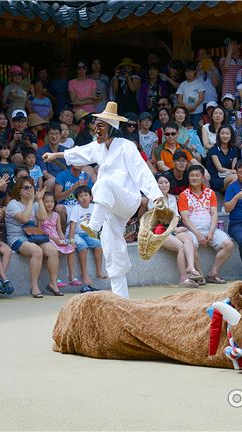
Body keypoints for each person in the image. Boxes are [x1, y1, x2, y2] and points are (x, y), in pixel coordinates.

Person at [42, 102, 165, 298]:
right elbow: (78, 152)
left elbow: (142, 171)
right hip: (109, 205)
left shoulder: (126, 146)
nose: (96, 130)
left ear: (112, 129)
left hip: (127, 198)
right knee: (111, 245)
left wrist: (156, 195)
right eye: (95, 126)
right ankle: (121, 297)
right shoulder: (98, 147)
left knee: (103, 181)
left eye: (100, 126)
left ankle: (94, 225)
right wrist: (55, 154)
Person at [4, 178, 62, 298]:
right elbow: (24, 219)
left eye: (31, 187)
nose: (29, 190)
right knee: (37, 251)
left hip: (34, 236)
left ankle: (52, 283)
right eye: (26, 187)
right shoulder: (13, 204)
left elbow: (43, 217)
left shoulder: (35, 203)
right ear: (18, 190)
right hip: (17, 237)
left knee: (52, 250)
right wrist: (31, 201)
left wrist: (39, 200)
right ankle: (34, 286)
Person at [178, 165, 233, 284]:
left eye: (197, 175)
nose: (194, 178)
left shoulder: (210, 193)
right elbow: (185, 218)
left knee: (228, 244)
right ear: (188, 177)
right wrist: (197, 234)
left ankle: (213, 273)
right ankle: (200, 275)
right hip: (192, 231)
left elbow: (214, 214)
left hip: (210, 229)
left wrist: (211, 232)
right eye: (192, 175)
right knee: (191, 246)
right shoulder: (184, 195)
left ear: (203, 177)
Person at [148, 173, 201, 288]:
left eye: (166, 182)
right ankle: (183, 279)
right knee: (180, 247)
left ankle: (191, 267)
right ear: (156, 185)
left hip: (172, 229)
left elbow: (176, 217)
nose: (164, 185)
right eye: (160, 183)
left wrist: (176, 228)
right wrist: (176, 229)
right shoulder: (152, 200)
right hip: (159, 231)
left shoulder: (172, 198)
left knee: (188, 238)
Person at [66, 186, 106, 293]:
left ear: (91, 197)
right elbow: (72, 225)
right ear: (77, 199)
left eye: (86, 195)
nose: (83, 198)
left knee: (98, 244)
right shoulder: (76, 208)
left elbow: (99, 223)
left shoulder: (94, 207)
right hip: (77, 233)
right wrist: (71, 240)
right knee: (82, 246)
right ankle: (84, 274)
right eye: (80, 196)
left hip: (88, 232)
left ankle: (99, 271)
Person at [37, 192, 79, 290]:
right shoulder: (40, 215)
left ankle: (71, 276)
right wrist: (54, 239)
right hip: (47, 238)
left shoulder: (56, 215)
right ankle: (56, 278)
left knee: (71, 248)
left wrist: (64, 241)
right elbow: (39, 231)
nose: (49, 204)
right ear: (42, 203)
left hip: (57, 237)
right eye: (46, 202)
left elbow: (59, 231)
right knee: (55, 251)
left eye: (51, 202)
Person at [37, 122, 68, 192]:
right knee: (52, 182)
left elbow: (70, 170)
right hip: (51, 181)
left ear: (60, 135)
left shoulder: (66, 151)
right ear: (47, 135)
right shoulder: (40, 152)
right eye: (51, 133)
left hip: (65, 179)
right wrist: (59, 181)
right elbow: (44, 173)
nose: (54, 136)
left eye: (56, 133)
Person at [206, 125, 238, 193]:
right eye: (222, 133)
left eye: (227, 133)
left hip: (229, 176)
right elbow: (220, 168)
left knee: (234, 181)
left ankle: (229, 201)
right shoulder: (213, 149)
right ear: (219, 135)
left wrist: (234, 171)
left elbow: (234, 168)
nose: (225, 136)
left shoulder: (234, 150)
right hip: (216, 178)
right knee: (235, 177)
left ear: (231, 135)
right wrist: (234, 172)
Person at [176, 62, 205, 128]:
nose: (188, 73)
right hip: (185, 112)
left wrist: (194, 106)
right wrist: (186, 106)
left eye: (190, 71)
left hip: (197, 112)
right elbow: (179, 99)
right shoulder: (182, 84)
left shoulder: (199, 83)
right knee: (186, 129)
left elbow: (201, 97)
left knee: (197, 129)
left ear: (195, 71)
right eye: (186, 72)